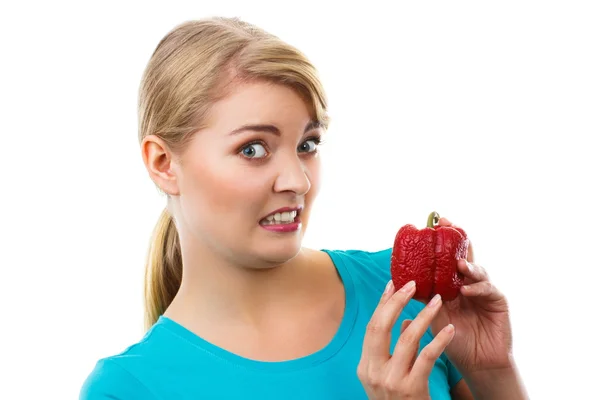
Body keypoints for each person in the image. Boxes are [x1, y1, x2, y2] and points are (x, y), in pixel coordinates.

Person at [80, 17, 528, 399]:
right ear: (163, 164)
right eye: (253, 149)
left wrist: (494, 374)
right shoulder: (129, 387)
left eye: (307, 144)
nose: (298, 180)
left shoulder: (407, 294)